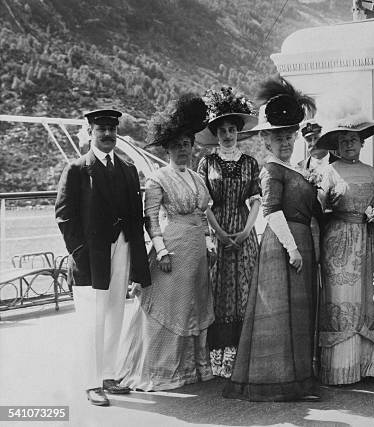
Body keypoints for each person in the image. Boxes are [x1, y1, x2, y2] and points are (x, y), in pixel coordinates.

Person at [223, 77, 320, 402]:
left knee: (298, 314)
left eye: (290, 136)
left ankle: (299, 381)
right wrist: (292, 248)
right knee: (280, 315)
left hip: (301, 244)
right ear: (266, 139)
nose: (286, 142)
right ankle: (278, 382)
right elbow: (271, 210)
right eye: (279, 137)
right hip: (282, 247)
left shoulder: (296, 169)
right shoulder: (271, 170)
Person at [115, 94, 217, 391]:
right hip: (172, 248)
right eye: (176, 146)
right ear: (168, 149)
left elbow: (202, 216)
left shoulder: (198, 179)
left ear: (191, 146)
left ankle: (191, 369)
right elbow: (151, 218)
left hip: (197, 248)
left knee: (193, 306)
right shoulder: (158, 178)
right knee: (171, 307)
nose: (182, 150)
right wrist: (161, 251)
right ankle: (163, 371)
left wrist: (210, 245)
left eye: (186, 144)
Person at [55, 108, 151, 406]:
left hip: (121, 250)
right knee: (91, 320)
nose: (108, 134)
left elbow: (135, 217)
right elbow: (64, 216)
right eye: (102, 130)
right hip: (91, 257)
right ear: (91, 133)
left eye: (112, 129)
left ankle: (109, 374)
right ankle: (91, 382)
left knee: (114, 314)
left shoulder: (127, 168)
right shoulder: (77, 169)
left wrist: (138, 258)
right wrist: (80, 254)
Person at [315, 97, 374, 385]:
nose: (349, 145)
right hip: (339, 242)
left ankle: (366, 362)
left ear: (362, 143)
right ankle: (340, 367)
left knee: (366, 298)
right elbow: (318, 210)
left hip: (368, 239)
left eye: (354, 140)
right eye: (344, 141)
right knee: (342, 298)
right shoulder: (328, 172)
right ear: (336, 145)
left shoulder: (372, 172)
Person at [196, 87, 260, 378]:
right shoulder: (207, 163)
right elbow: (203, 202)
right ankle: (219, 358)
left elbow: (256, 200)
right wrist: (218, 233)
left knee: (245, 288)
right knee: (219, 288)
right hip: (218, 227)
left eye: (232, 129)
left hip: (245, 229)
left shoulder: (250, 162)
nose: (227, 135)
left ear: (238, 131)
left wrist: (247, 231)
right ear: (215, 133)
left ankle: (244, 355)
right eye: (221, 130)